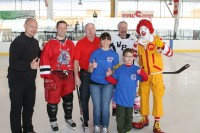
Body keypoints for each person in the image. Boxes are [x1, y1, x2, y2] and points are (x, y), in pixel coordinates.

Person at [132, 19, 173, 133]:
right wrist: (136, 69)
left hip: (156, 75)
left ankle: (157, 123)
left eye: (145, 28)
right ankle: (144, 119)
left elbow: (170, 53)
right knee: (143, 96)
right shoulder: (137, 43)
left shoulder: (156, 40)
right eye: (141, 29)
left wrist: (163, 47)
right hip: (144, 75)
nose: (143, 31)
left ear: (149, 29)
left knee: (157, 97)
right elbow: (133, 58)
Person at [39, 20, 76, 131]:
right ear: (56, 28)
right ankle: (53, 121)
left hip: (68, 75)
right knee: (53, 99)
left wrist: (75, 75)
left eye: (65, 28)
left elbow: (74, 60)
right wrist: (47, 78)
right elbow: (44, 60)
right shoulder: (49, 44)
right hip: (54, 75)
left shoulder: (70, 44)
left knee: (69, 98)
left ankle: (68, 118)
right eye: (60, 27)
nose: (63, 30)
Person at [7, 18, 40, 133]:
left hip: (30, 81)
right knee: (16, 108)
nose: (34, 29)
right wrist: (29, 65)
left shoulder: (35, 42)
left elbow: (40, 56)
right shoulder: (17, 42)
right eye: (31, 26)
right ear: (24, 26)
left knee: (29, 107)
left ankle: (28, 129)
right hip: (17, 81)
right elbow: (13, 62)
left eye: (36, 27)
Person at [106, 48, 148, 133]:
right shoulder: (119, 70)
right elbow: (114, 81)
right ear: (123, 58)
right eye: (127, 56)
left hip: (130, 98)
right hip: (120, 98)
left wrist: (142, 73)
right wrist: (108, 76)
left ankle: (128, 130)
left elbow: (145, 78)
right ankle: (121, 130)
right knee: (120, 116)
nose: (129, 58)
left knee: (129, 116)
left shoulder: (136, 69)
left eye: (131, 56)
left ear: (133, 58)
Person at [88, 32, 119, 133]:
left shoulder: (114, 55)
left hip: (108, 84)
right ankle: (96, 125)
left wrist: (111, 73)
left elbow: (116, 70)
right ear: (100, 41)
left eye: (107, 39)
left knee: (105, 106)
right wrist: (92, 66)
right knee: (97, 106)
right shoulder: (95, 53)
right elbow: (89, 70)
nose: (105, 41)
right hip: (94, 83)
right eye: (103, 39)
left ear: (110, 41)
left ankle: (105, 126)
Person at [110, 21, 140, 117]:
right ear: (118, 28)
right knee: (115, 89)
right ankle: (115, 107)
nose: (123, 29)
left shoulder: (133, 38)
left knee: (134, 87)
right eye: (121, 27)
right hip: (118, 68)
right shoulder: (113, 38)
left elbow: (138, 52)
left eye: (125, 27)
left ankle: (136, 105)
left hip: (131, 68)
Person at [74, 23, 100, 128]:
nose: (90, 30)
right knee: (84, 98)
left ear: (95, 29)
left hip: (99, 74)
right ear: (85, 31)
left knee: (98, 100)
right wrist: (76, 76)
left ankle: (98, 120)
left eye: (92, 28)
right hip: (85, 74)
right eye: (88, 29)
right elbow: (76, 61)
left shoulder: (101, 41)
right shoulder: (80, 43)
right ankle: (85, 119)